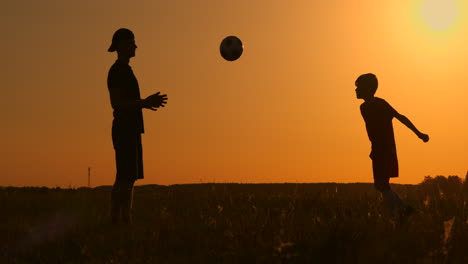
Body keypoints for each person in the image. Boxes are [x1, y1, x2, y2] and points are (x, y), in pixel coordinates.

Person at [107, 28, 167, 224]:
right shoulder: (117, 71)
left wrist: (145, 104)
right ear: (122, 46)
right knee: (125, 177)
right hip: (124, 128)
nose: (136, 46)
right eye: (132, 42)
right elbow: (117, 103)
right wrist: (144, 103)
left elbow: (128, 102)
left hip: (131, 128)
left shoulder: (126, 70)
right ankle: (119, 221)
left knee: (128, 177)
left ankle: (123, 220)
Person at [355, 73, 429, 223]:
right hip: (378, 149)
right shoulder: (364, 107)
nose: (355, 90)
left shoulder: (379, 105)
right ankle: (399, 214)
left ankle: (402, 211)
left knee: (381, 185)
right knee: (382, 186)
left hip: (384, 149)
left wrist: (419, 133)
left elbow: (400, 117)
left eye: (359, 87)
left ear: (368, 89)